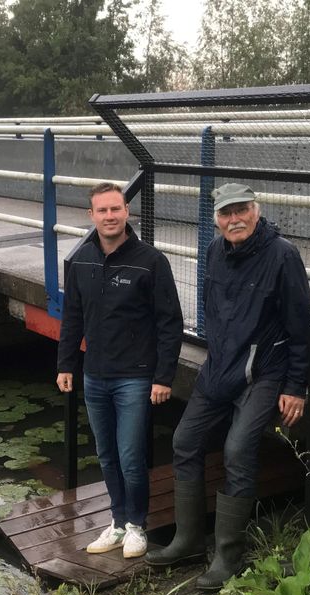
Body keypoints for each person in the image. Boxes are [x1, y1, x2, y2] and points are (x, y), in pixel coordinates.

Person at [145, 183, 310, 589]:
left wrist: (296, 386)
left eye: (241, 210)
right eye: (226, 213)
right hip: (219, 367)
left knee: (238, 449)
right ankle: (187, 540)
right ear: (216, 219)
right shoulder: (215, 252)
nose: (234, 219)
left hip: (264, 372)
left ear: (256, 211)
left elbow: (302, 325)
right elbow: (212, 312)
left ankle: (228, 556)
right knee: (185, 441)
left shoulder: (282, 255)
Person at [57, 182, 184, 559]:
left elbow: (169, 322)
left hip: (135, 376)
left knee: (130, 456)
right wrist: (66, 363)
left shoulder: (150, 261)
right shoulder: (81, 260)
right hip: (95, 375)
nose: (109, 217)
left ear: (127, 211)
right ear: (91, 215)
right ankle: (116, 522)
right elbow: (73, 317)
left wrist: (163, 376)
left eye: (116, 209)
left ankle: (136, 527)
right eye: (102, 211)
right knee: (107, 455)